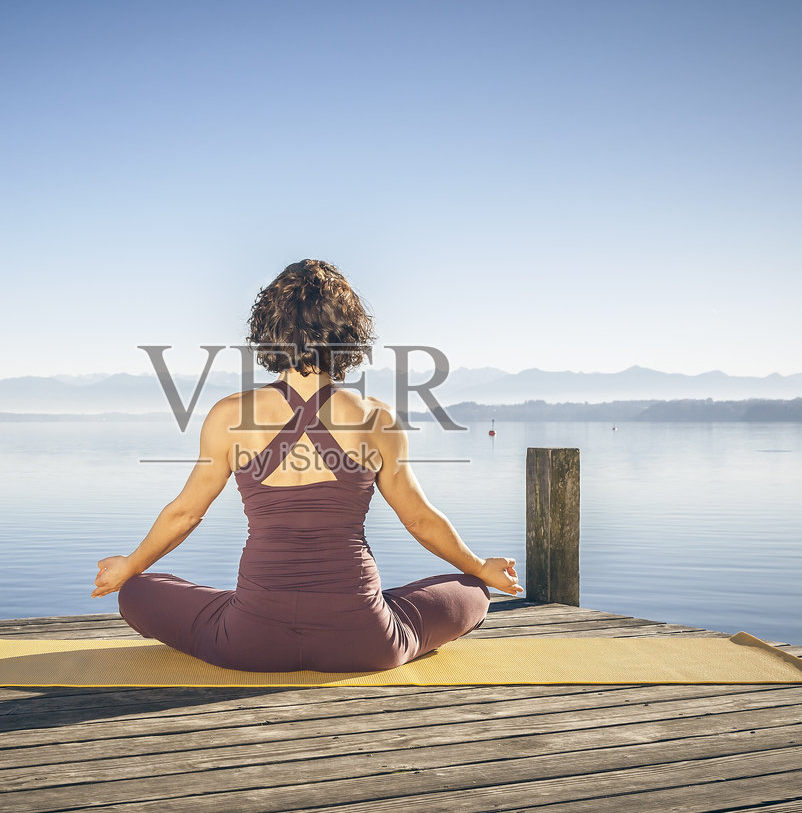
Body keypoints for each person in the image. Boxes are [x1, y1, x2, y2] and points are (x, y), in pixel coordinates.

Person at [92, 259, 523, 672]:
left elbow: (186, 512)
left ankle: (252, 605)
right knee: (471, 591)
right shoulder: (376, 418)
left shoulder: (230, 415)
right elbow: (420, 519)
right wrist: (478, 567)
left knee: (138, 592)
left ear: (270, 330)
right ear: (349, 333)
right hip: (365, 640)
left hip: (250, 640)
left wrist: (130, 567)